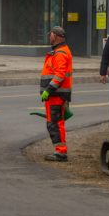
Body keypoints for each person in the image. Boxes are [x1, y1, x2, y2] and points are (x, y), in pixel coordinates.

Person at [40, 26, 74, 162]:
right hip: (56, 95)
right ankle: (60, 151)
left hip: (56, 95)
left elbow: (59, 75)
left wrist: (48, 90)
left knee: (55, 123)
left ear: (57, 36)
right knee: (54, 123)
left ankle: (61, 153)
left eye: (51, 35)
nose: (49, 37)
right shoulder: (59, 52)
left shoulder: (60, 53)